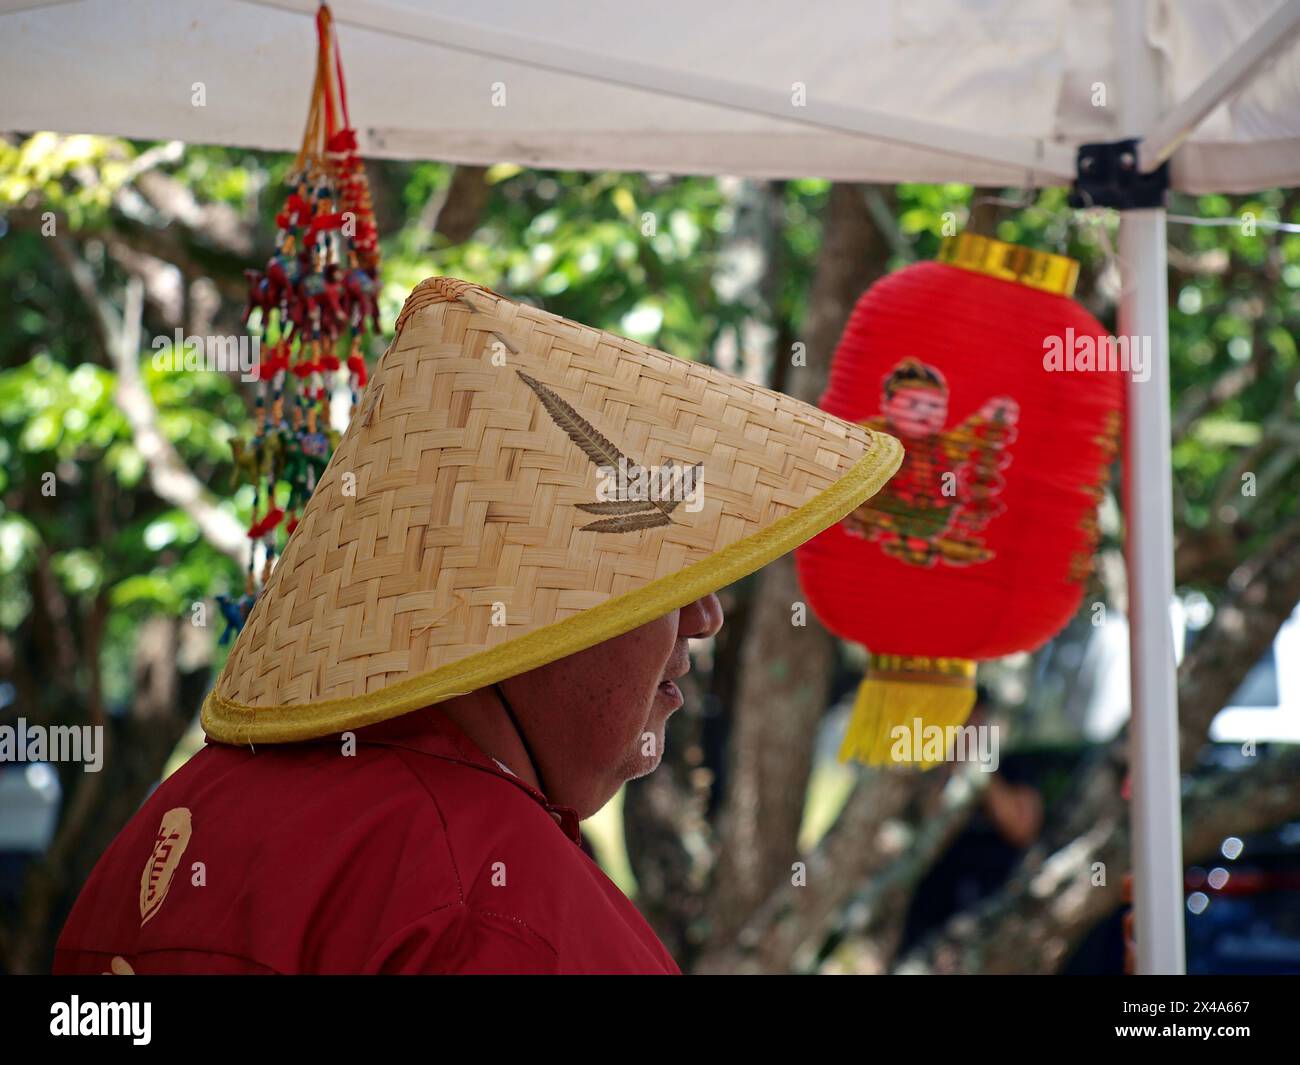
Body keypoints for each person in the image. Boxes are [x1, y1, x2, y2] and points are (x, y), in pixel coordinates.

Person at [54, 277, 902, 974]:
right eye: (665, 574)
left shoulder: (183, 808)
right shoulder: (499, 906)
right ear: (537, 605)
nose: (707, 614)